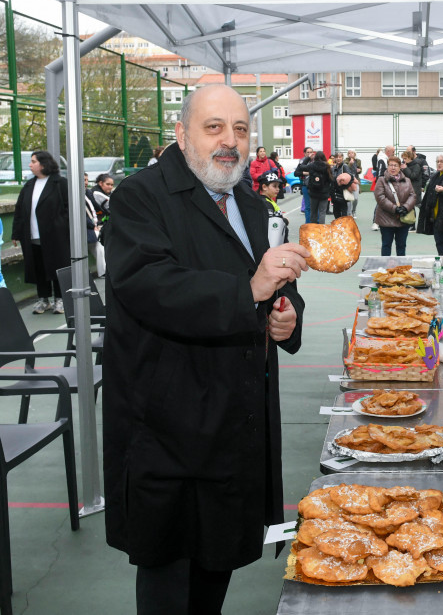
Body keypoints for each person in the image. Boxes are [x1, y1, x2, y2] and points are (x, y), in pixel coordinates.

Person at [102, 83, 309, 615]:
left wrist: (284, 317)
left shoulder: (248, 202)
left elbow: (273, 287)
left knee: (215, 569)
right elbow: (148, 284)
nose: (230, 141)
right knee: (170, 582)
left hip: (234, 425)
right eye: (213, 127)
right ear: (181, 133)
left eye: (240, 129)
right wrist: (249, 293)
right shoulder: (140, 197)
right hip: (170, 429)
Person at [10, 150, 70, 315]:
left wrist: (62, 226)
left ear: (44, 164)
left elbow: (68, 208)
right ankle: (43, 299)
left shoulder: (60, 183)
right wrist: (16, 233)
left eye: (33, 161)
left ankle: (60, 299)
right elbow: (20, 210)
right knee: (38, 268)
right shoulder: (29, 185)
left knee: (57, 265)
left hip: (55, 236)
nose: (30, 164)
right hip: (32, 236)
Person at [373, 156, 415, 256]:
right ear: (387, 167)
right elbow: (380, 198)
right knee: (386, 245)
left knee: (401, 246)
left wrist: (405, 207)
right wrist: (395, 208)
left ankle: (401, 268)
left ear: (400, 167)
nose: (393, 168)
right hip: (386, 219)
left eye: (395, 165)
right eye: (390, 165)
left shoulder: (407, 180)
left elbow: (412, 195)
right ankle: (385, 268)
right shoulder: (381, 180)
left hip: (403, 219)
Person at [306, 151, 333, 224]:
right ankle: (321, 230)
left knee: (313, 212)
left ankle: (313, 229)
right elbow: (331, 179)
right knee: (322, 212)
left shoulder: (311, 165)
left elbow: (300, 167)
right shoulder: (327, 166)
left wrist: (308, 158)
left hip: (313, 192)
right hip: (324, 193)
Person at [295, 147, 316, 223]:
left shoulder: (316, 161)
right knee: (308, 207)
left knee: (315, 206)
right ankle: (308, 223)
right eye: (308, 152)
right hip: (305, 185)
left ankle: (316, 223)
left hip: (315, 186)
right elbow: (296, 173)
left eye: (311, 152)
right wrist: (306, 173)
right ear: (304, 153)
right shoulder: (302, 162)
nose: (310, 154)